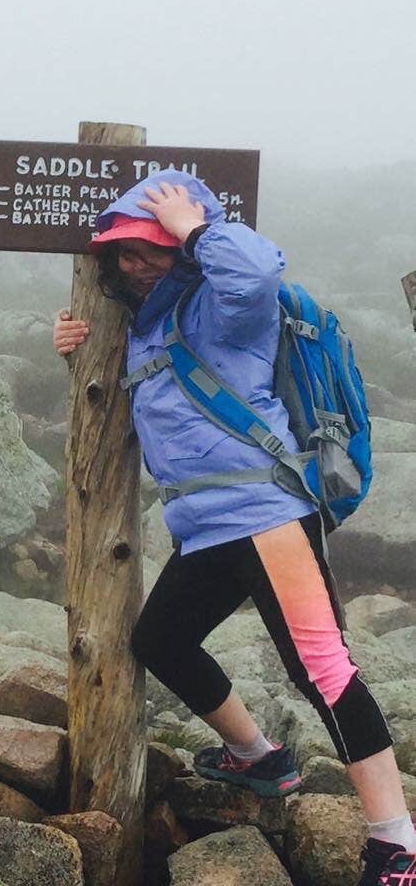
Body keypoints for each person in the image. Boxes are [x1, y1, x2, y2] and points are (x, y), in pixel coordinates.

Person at [54, 170, 415, 885]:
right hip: (206, 528)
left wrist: (195, 226)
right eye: (124, 251)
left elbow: (254, 271)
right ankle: (259, 758)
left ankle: (394, 840)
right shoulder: (145, 328)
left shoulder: (225, 309)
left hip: (268, 517)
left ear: (185, 249)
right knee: (159, 639)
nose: (135, 262)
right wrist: (78, 354)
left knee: (322, 671)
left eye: (152, 249)